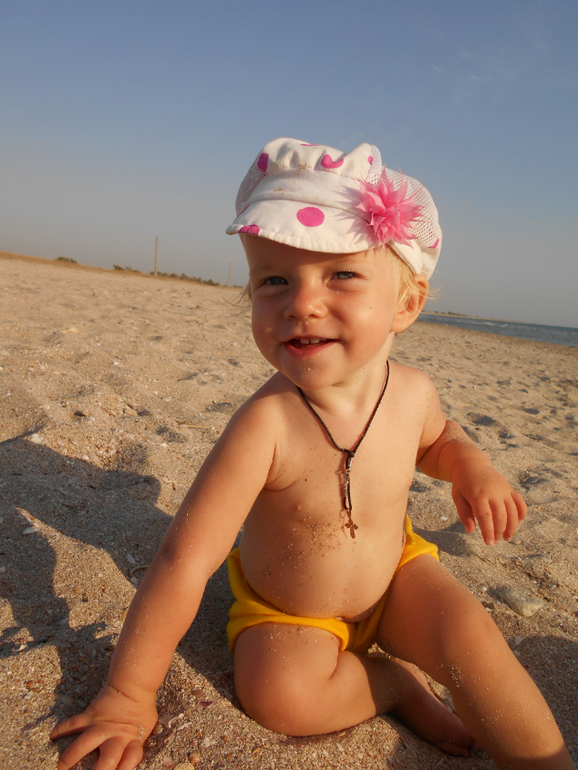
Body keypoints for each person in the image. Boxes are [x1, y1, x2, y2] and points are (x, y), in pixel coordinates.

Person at [51, 138, 574, 770]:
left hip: (397, 578)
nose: (302, 303)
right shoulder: (265, 424)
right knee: (282, 699)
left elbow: (439, 439)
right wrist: (128, 696)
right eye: (274, 280)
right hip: (290, 611)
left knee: (475, 644)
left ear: (406, 303)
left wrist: (472, 466)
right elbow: (183, 559)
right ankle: (390, 685)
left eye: (342, 275)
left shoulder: (413, 393)